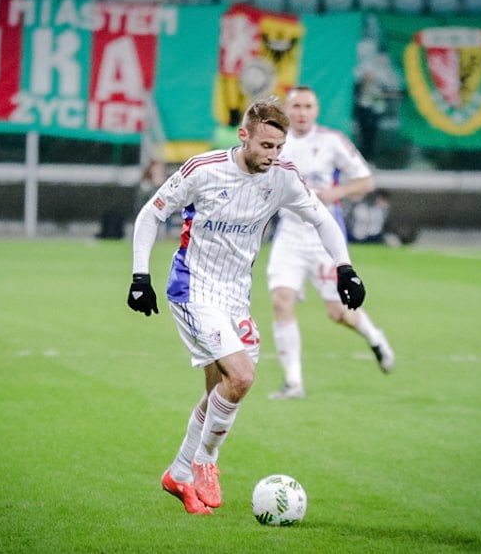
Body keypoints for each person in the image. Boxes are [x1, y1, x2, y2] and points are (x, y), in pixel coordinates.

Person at [126, 99, 367, 515]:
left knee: (218, 390)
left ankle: (178, 474)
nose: (273, 156)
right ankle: (206, 461)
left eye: (279, 147)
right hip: (193, 289)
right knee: (241, 377)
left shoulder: (283, 178)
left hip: (235, 296)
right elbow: (151, 214)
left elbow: (323, 220)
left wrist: (345, 268)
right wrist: (139, 276)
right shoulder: (202, 170)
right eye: (266, 146)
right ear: (244, 136)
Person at [265, 86, 396, 401]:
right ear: (287, 109)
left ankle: (374, 336)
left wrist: (335, 193)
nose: (301, 112)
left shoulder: (331, 141)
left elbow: (366, 181)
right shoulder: (275, 142)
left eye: (308, 106)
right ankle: (293, 382)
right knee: (281, 300)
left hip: (323, 236)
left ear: (316, 110)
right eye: (296, 106)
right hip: (289, 235)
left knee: (338, 312)